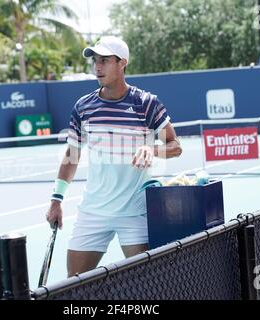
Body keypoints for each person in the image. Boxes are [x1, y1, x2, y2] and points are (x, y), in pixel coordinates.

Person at [45, 36, 183, 277]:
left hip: (135, 213)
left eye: (105, 60)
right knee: (74, 287)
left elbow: (175, 145)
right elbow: (71, 155)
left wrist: (153, 149)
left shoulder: (146, 103)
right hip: (93, 212)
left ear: (123, 63)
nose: (98, 67)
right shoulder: (83, 107)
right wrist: (56, 200)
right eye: (95, 61)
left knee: (149, 286)